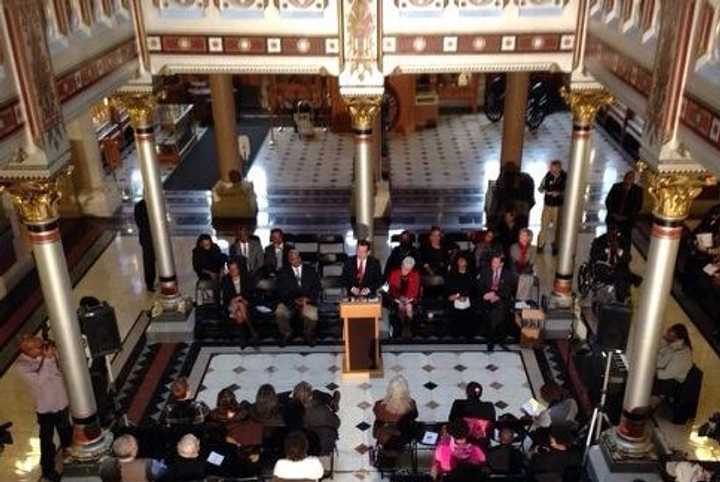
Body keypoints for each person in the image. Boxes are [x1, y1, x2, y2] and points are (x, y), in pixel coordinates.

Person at [16, 335, 72, 482]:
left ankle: (73, 461)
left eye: (42, 345)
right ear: (28, 350)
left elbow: (60, 371)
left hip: (61, 402)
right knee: (47, 442)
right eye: (39, 347)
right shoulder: (22, 365)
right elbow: (39, 381)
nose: (42, 349)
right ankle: (48, 471)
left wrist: (54, 357)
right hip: (46, 408)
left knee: (67, 435)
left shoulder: (46, 355)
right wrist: (47, 360)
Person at [274, 249, 322, 346]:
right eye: (290, 259)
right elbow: (280, 290)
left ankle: (308, 334)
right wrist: (294, 300)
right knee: (279, 312)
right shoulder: (283, 272)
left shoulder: (310, 270)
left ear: (300, 258)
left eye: (295, 258)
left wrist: (308, 299)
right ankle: (287, 333)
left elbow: (317, 288)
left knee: (312, 315)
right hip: (290, 301)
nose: (293, 261)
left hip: (307, 301)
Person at [476, 254, 516, 352]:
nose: (493, 264)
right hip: (487, 298)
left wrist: (496, 295)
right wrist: (486, 294)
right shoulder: (486, 271)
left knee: (499, 309)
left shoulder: (508, 274)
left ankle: (491, 339)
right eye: (492, 262)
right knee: (493, 311)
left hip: (501, 298)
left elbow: (509, 289)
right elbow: (480, 286)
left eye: (496, 263)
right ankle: (498, 339)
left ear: (501, 264)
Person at [290, 382, 340, 456]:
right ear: (311, 396)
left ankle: (331, 401)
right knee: (318, 394)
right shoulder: (322, 411)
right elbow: (337, 423)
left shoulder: (291, 412)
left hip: (299, 449)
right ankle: (332, 402)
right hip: (324, 448)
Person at [372, 376, 419, 455]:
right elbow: (415, 415)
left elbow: (377, 416)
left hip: (385, 436)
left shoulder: (379, 405)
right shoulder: (412, 404)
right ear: (406, 390)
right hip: (404, 437)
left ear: (389, 389)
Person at [221, 258, 258, 344]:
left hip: (245, 303)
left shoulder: (247, 278)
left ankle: (243, 337)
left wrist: (244, 299)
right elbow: (225, 297)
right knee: (239, 306)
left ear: (239, 269)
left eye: (235, 269)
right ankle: (251, 331)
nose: (233, 271)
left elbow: (251, 293)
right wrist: (235, 299)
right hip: (231, 305)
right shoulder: (226, 279)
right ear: (228, 270)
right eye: (231, 269)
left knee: (239, 312)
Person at [653, 324, 693, 400]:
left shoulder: (683, 353)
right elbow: (660, 361)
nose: (666, 334)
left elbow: (667, 374)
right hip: (662, 377)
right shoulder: (672, 345)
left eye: (669, 333)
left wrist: (652, 371)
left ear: (676, 336)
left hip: (670, 383)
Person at [386, 256, 422, 338]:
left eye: (408, 269)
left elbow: (415, 291)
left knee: (409, 307)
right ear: (402, 265)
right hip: (396, 299)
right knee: (401, 306)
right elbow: (392, 289)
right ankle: (401, 327)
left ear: (411, 269)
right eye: (404, 268)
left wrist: (407, 299)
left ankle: (408, 327)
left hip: (410, 299)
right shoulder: (394, 273)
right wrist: (400, 298)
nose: (406, 271)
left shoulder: (415, 275)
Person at [537, 160, 567, 255]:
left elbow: (569, 190)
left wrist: (559, 193)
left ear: (559, 168)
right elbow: (540, 188)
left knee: (556, 227)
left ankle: (555, 246)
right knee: (544, 225)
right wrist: (546, 191)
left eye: (555, 170)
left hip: (558, 206)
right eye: (551, 169)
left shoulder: (565, 177)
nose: (552, 171)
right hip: (548, 205)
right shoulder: (547, 176)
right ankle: (541, 245)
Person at [445, 255, 477, 339]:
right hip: (454, 301)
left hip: (468, 302)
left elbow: (475, 290)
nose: (462, 262)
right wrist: (454, 296)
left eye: (463, 260)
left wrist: (466, 297)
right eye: (460, 260)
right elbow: (447, 291)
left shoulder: (471, 275)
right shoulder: (451, 276)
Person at [605, 171, 643, 238]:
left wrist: (626, 217)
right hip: (613, 217)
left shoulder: (638, 191)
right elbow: (608, 201)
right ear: (624, 178)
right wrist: (613, 214)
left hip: (627, 220)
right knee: (611, 238)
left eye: (631, 178)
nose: (629, 179)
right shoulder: (616, 187)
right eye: (628, 177)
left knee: (625, 239)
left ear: (634, 180)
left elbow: (638, 206)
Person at [134, 199, 156, 292]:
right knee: (149, 260)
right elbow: (139, 222)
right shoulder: (140, 206)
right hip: (148, 237)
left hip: (154, 235)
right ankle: (150, 283)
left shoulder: (155, 202)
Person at [509, 228, 537, 302]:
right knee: (519, 277)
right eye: (520, 235)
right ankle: (519, 300)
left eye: (524, 235)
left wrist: (523, 272)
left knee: (526, 277)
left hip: (527, 271)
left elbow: (531, 263)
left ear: (529, 237)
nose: (521, 237)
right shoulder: (514, 247)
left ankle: (523, 300)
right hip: (515, 270)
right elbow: (514, 262)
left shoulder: (533, 248)